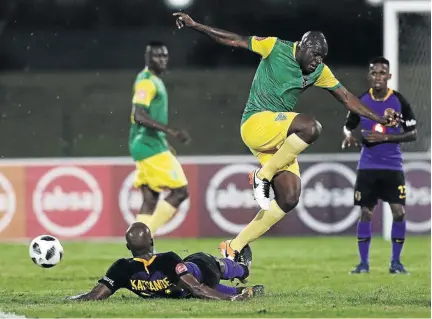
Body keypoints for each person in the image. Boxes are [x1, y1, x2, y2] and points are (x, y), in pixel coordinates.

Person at [172, 13, 401, 260]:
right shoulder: (274, 46)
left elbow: (347, 98)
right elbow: (235, 40)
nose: (317, 61)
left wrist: (379, 119)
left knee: (289, 197)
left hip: (277, 139)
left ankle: (234, 246)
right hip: (256, 122)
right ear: (302, 47)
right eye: (315, 55)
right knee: (311, 127)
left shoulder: (319, 71)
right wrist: (196, 26)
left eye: (322, 57)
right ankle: (264, 175)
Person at [341, 56, 417, 274]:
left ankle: (396, 262)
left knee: (399, 212)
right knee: (366, 213)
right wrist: (349, 136)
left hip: (393, 166)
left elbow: (413, 134)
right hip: (368, 166)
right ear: (369, 76)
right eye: (374, 73)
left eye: (382, 73)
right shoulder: (361, 100)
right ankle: (363, 264)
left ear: (389, 76)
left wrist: (386, 138)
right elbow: (348, 126)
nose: (378, 77)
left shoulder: (399, 101)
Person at [67, 222, 262, 301]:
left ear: (128, 247)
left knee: (216, 272)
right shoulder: (168, 259)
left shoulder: (121, 268)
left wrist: (70, 300)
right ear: (152, 242)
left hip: (191, 280)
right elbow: (198, 288)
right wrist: (232, 299)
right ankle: (243, 279)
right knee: (213, 266)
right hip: (199, 273)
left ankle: (244, 275)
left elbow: (94, 295)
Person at [130, 41, 191, 236]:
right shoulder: (146, 82)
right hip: (149, 145)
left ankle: (136, 244)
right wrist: (170, 131)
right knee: (180, 192)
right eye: (157, 56)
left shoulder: (150, 79)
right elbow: (139, 115)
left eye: (165, 56)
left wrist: (164, 138)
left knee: (150, 199)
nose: (163, 60)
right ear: (148, 59)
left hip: (148, 144)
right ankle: (143, 239)